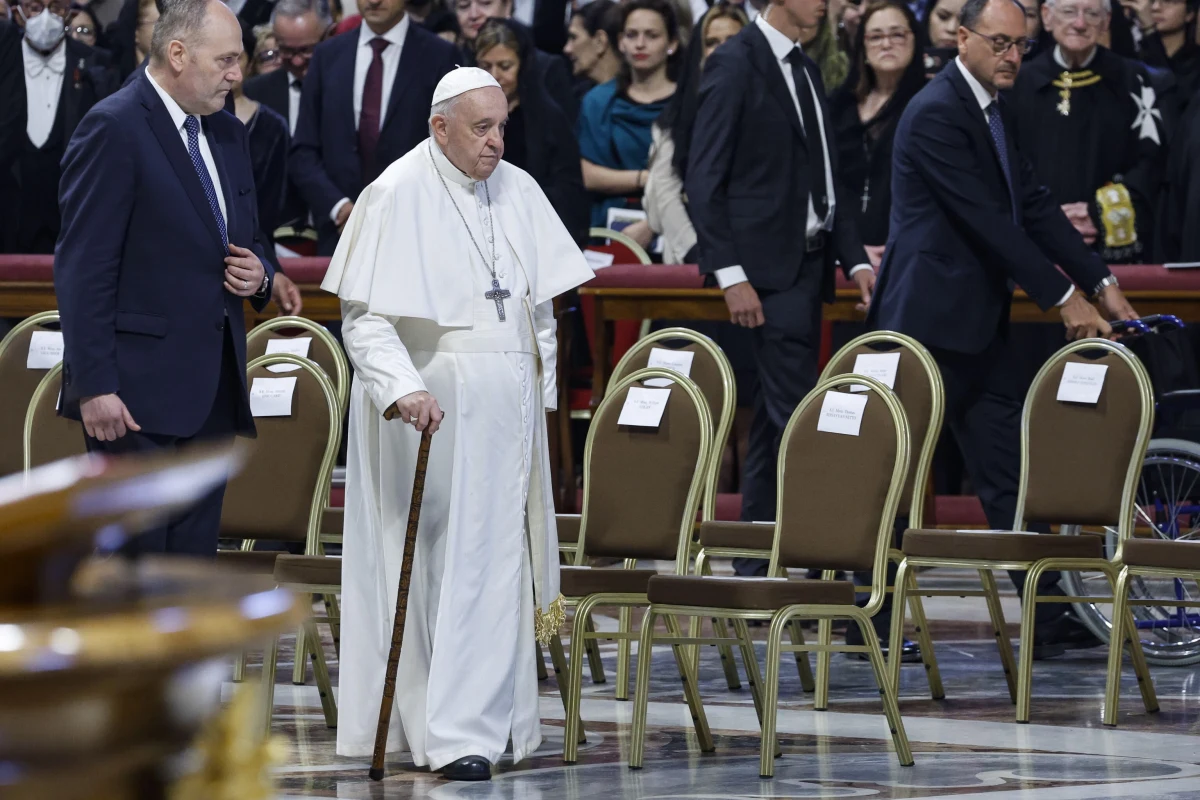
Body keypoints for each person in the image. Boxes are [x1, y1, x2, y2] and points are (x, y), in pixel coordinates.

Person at [321, 67, 592, 781]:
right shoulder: (395, 192)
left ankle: (500, 726)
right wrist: (404, 388)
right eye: (481, 128)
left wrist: (541, 398)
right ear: (440, 128)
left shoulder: (519, 190)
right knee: (450, 568)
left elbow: (538, 309)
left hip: (508, 419)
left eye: (502, 126)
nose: (496, 142)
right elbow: (364, 318)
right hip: (432, 417)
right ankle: (448, 734)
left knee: (500, 565)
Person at [868, 0, 1140, 655]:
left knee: (1010, 471)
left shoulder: (993, 106)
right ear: (962, 38)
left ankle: (1046, 616)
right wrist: (1064, 298)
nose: (1012, 56)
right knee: (895, 475)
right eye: (999, 43)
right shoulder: (937, 111)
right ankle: (868, 617)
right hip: (927, 327)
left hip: (976, 326)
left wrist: (1102, 282)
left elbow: (1034, 205)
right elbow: (987, 220)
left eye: (1020, 45)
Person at [55, 0, 274, 556]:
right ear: (177, 54)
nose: (237, 74)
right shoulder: (113, 126)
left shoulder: (228, 132)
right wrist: (93, 385)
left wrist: (261, 276)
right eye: (225, 60)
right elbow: (84, 268)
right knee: (134, 577)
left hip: (214, 395)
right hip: (133, 402)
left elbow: (249, 239)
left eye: (239, 59)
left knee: (188, 577)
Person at [687, 0, 876, 577]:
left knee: (775, 421)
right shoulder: (734, 62)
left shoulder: (805, 65)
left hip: (808, 267)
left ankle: (754, 563)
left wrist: (855, 260)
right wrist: (730, 275)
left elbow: (827, 179)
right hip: (765, 274)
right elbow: (703, 177)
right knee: (801, 415)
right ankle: (835, 563)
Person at [289, 0, 458, 255]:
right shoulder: (327, 56)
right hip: (339, 235)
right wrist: (340, 208)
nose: (374, 1)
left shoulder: (440, 56)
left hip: (416, 233)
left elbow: (451, 151)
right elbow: (303, 151)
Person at [1010, 0, 1169, 264]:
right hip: (1036, 242)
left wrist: (1098, 214)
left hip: (1111, 247)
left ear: (1106, 22)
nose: (1080, 23)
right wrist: (1047, 218)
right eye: (1069, 11)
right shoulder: (1018, 83)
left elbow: (1151, 162)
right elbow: (1006, 163)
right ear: (1047, 17)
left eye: (1092, 14)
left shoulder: (1134, 80)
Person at [1, 0, 116, 254]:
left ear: (68, 13)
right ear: (18, 13)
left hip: (72, 222)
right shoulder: (4, 57)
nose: (45, 17)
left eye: (56, 8)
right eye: (34, 7)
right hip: (9, 218)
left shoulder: (96, 63)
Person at [645, 3, 748, 263]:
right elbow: (665, 196)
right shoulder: (674, 120)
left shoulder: (773, 111)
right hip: (692, 259)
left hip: (758, 253)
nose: (722, 49)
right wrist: (697, 254)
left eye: (732, 40)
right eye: (712, 42)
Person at [475, 18, 588, 244]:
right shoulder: (463, 118)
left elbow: (569, 194)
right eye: (486, 66)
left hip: (535, 235)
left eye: (505, 66)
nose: (494, 75)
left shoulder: (548, 118)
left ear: (523, 65)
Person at [831, 1, 924, 265]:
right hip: (844, 253)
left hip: (908, 253)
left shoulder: (930, 107)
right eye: (875, 36)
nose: (886, 44)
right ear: (863, 45)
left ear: (915, 40)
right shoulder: (839, 106)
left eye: (897, 35)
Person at [578, 0, 679, 243]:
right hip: (607, 229)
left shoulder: (690, 103)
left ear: (672, 43)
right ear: (621, 41)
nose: (640, 44)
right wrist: (647, 178)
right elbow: (587, 174)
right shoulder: (597, 101)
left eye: (652, 35)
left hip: (678, 228)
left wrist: (653, 221)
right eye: (631, 35)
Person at [1140, 0, 1199, 107]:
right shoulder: (1136, 54)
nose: (1155, 7)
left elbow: (1173, 100)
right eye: (1152, 1)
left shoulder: (1195, 63)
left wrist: (1150, 30)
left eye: (1168, 1)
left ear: (1189, 14)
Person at [563, 0, 621, 99]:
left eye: (574, 38)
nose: (567, 49)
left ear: (600, 42)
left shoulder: (637, 99)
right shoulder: (578, 97)